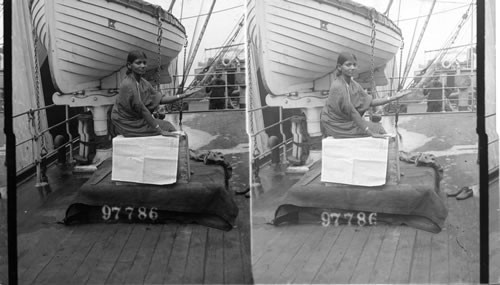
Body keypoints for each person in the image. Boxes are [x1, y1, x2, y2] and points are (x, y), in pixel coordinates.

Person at [320, 52, 409, 138]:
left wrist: (393, 97)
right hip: (336, 125)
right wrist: (369, 132)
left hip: (347, 122)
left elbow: (370, 102)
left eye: (354, 65)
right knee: (377, 129)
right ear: (339, 67)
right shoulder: (338, 86)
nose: (352, 67)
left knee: (378, 128)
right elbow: (352, 112)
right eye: (348, 65)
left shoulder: (353, 84)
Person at [111, 50, 192, 137]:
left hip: (137, 120)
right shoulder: (129, 85)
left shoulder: (142, 82)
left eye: (144, 63)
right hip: (128, 123)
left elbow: (159, 99)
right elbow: (142, 110)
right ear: (129, 65)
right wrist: (159, 130)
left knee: (168, 126)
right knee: (167, 127)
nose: (142, 66)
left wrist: (183, 95)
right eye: (138, 63)